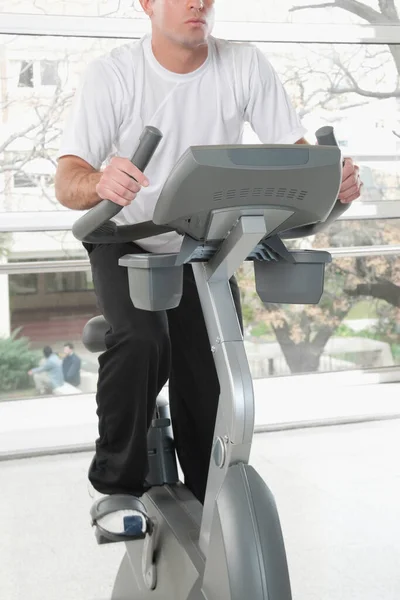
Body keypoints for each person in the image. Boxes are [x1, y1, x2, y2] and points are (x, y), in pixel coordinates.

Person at [55, 0, 362, 536]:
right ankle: (116, 488)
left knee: (211, 366)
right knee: (143, 338)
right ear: (147, 4)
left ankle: (208, 487)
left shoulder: (243, 64)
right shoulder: (113, 74)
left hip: (199, 237)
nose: (198, 2)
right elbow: (68, 178)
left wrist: (333, 182)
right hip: (123, 235)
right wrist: (100, 182)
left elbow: (297, 156)